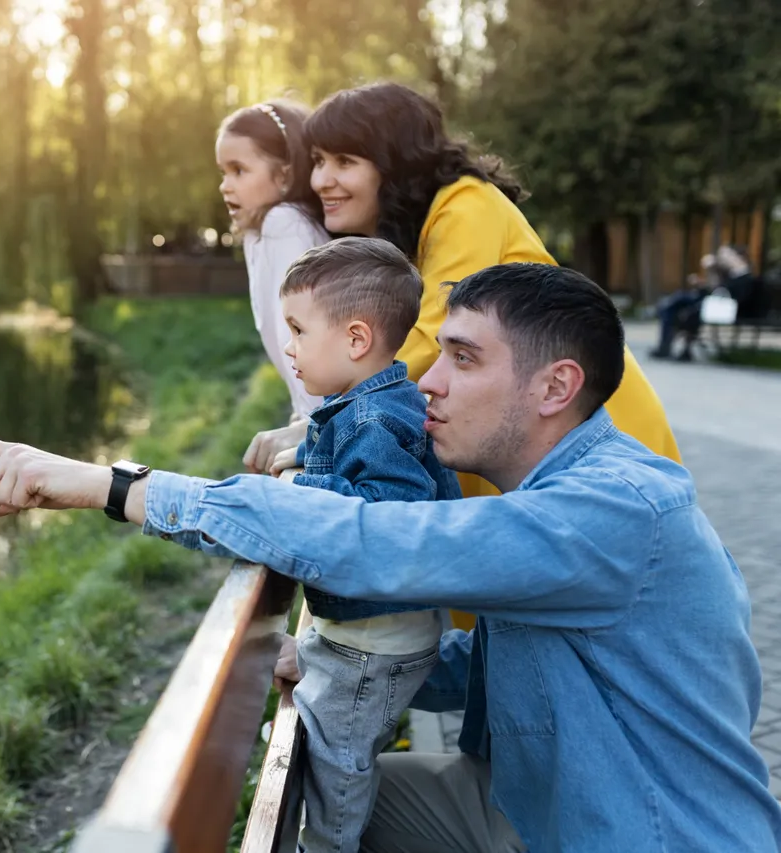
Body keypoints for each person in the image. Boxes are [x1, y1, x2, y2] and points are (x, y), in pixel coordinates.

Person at [0, 263, 781, 852]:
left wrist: (113, 485)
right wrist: (329, 654)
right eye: (436, 351)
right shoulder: (557, 499)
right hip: (531, 808)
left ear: (555, 388)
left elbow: (376, 540)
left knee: (325, 808)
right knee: (312, 794)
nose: (428, 384)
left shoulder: (616, 510)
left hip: (645, 833)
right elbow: (507, 659)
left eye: (462, 357)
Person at [243, 82, 679, 492]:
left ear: (395, 165)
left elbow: (429, 337)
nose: (321, 180)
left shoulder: (465, 205)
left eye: (345, 162)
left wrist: (331, 419)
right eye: (318, 161)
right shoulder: (408, 237)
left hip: (588, 435)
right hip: (531, 436)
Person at [266, 237, 461, 852]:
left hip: (373, 643)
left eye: (298, 330)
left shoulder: (373, 419)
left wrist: (304, 480)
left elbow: (391, 516)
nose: (289, 348)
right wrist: (307, 452)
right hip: (369, 635)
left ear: (355, 340)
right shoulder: (376, 404)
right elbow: (361, 464)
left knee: (337, 768)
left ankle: (325, 847)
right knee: (329, 750)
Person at [216, 99, 330, 422]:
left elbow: (300, 335)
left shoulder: (285, 224)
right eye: (223, 172)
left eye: (239, 170)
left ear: (284, 175)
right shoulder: (260, 231)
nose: (225, 186)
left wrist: (311, 419)